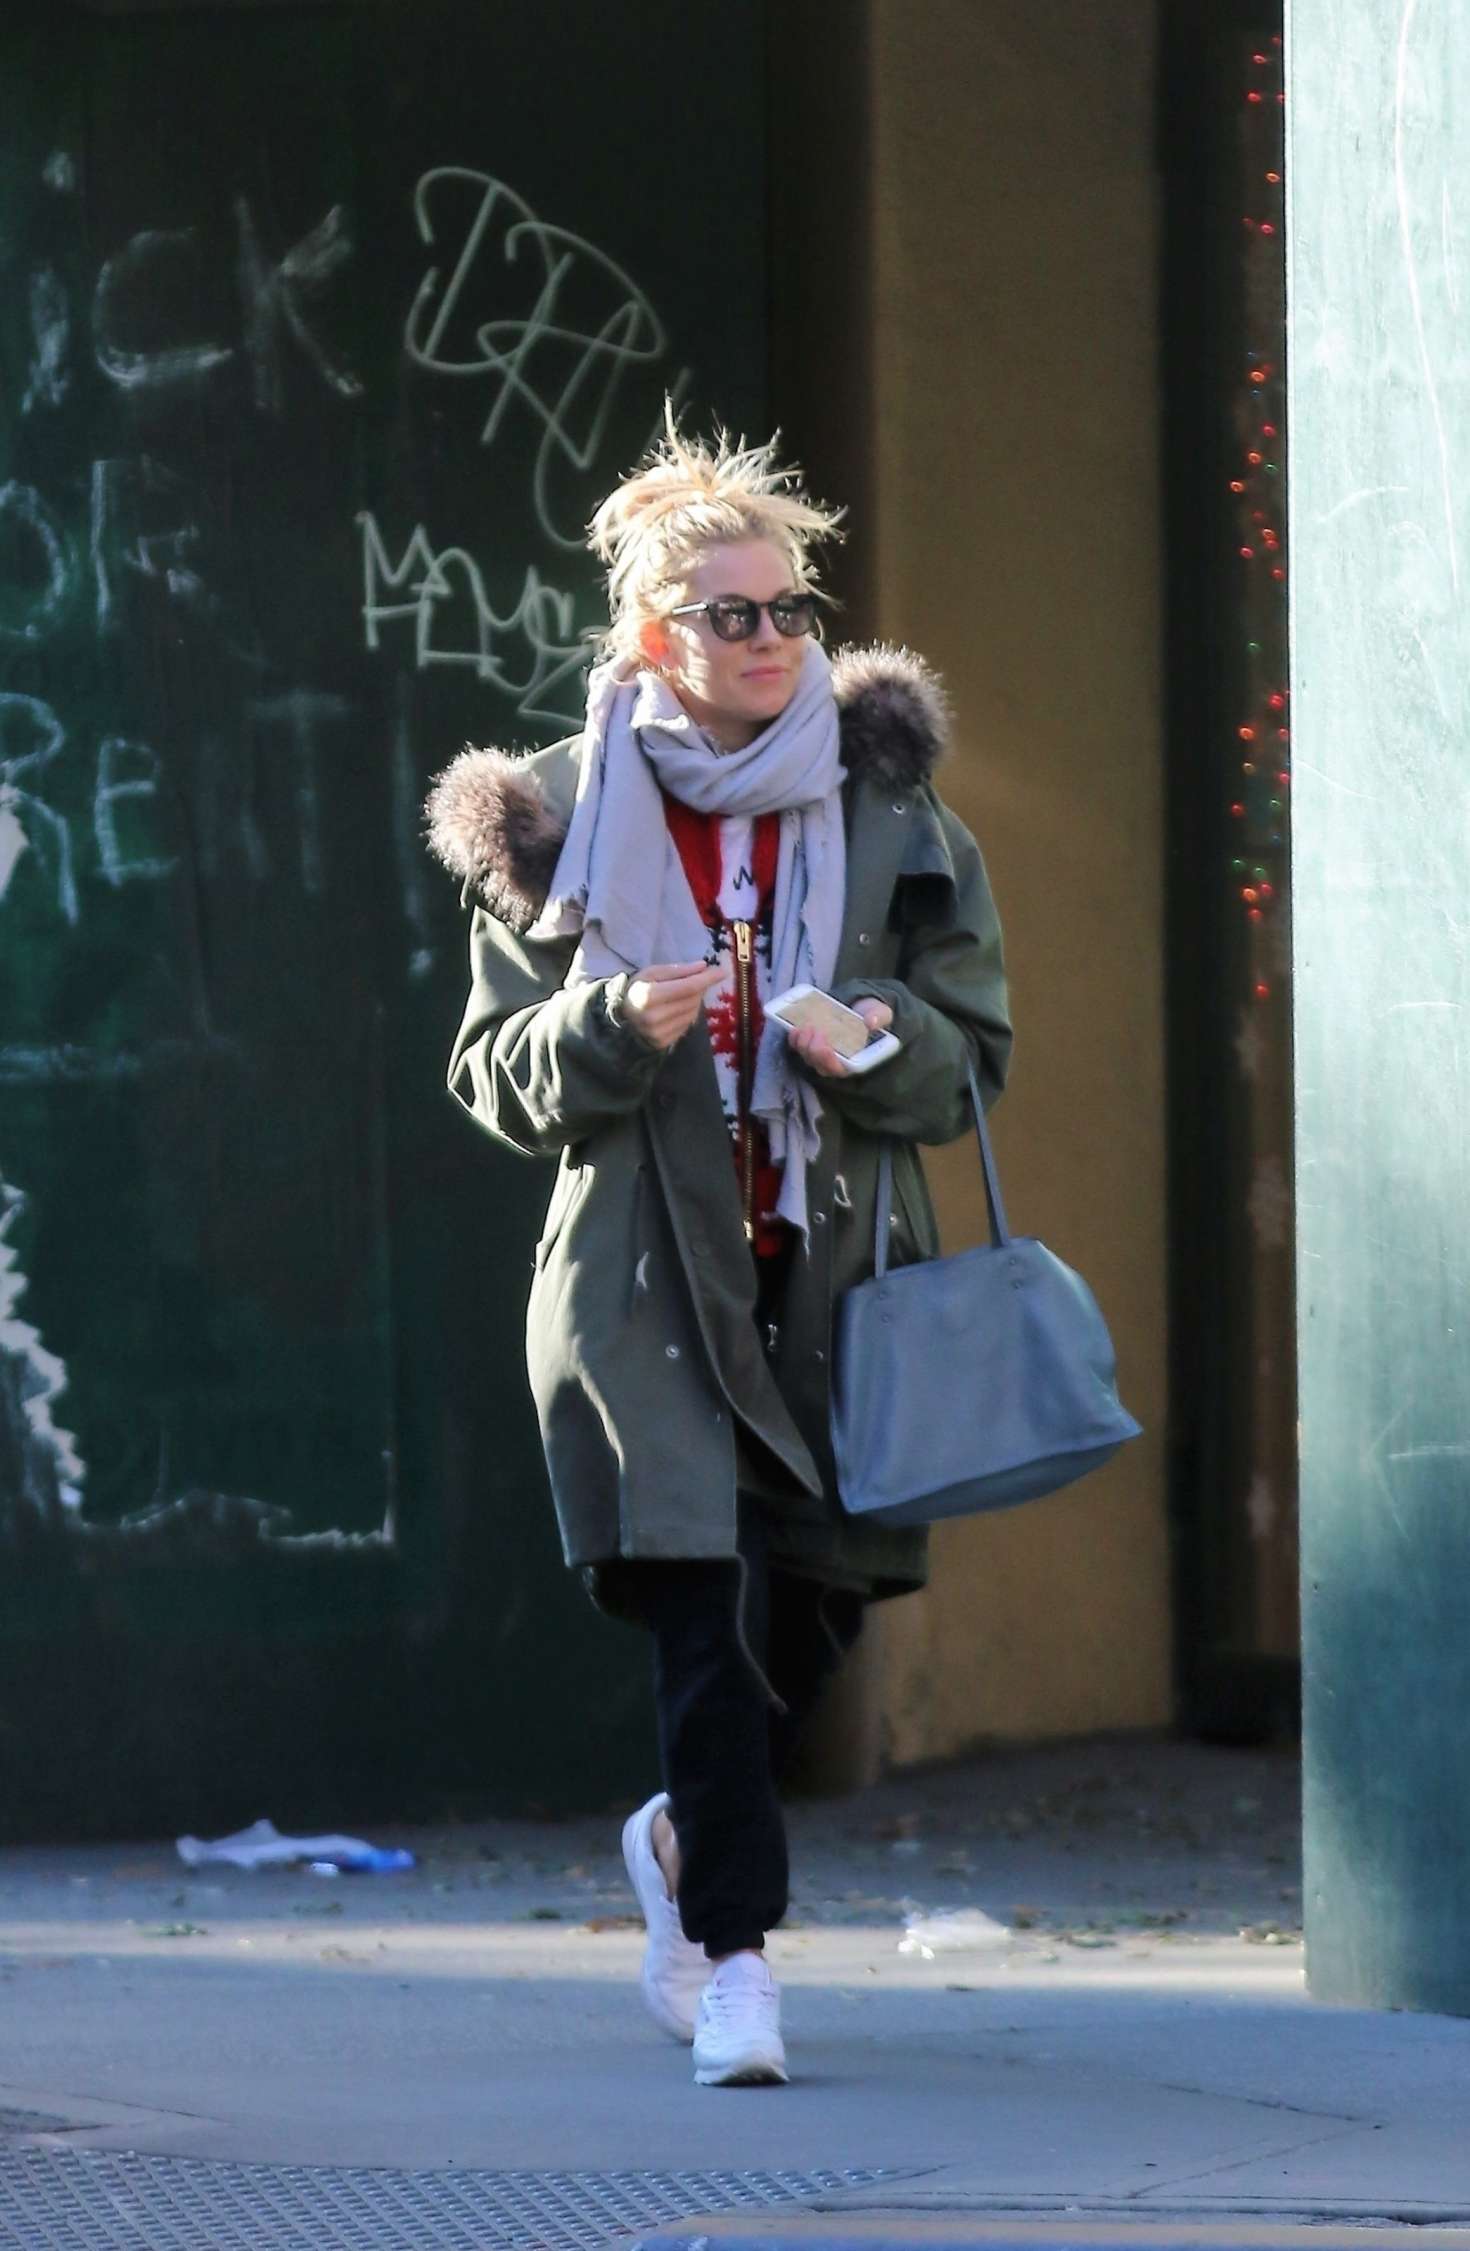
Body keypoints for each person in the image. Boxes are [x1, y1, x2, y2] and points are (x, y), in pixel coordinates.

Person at [425, 416, 1011, 2087]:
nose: (768, 639)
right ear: (650, 634)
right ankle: (736, 1970)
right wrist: (606, 1023)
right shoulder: (549, 816)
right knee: (702, 1610)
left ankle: (686, 1835)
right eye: (728, 615)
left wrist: (874, 1037)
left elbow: (972, 1055)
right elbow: (492, 1073)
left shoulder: (890, 808)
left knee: (809, 1603)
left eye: (786, 610)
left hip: (835, 1275)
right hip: (644, 1277)